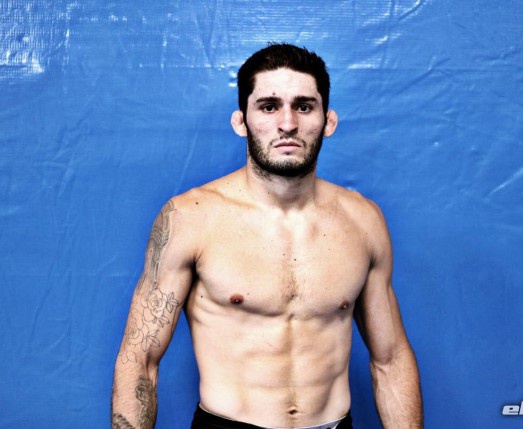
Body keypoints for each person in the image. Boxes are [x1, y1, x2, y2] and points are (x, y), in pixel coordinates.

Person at [111, 43, 422, 429]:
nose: (287, 124)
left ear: (328, 121)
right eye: (269, 106)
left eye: (304, 107)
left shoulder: (363, 220)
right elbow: (139, 361)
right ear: (241, 121)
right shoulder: (190, 218)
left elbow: (390, 360)